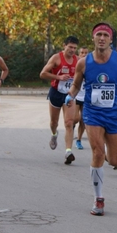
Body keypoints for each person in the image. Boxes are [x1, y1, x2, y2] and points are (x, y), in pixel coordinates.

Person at [65, 23, 117, 216]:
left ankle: (106, 152)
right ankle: (98, 199)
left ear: (110, 39)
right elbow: (75, 85)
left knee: (114, 160)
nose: (102, 38)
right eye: (99, 34)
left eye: (106, 35)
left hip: (115, 113)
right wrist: (70, 95)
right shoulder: (84, 62)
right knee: (97, 153)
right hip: (92, 113)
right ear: (93, 38)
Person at [40, 36, 79, 164]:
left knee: (69, 122)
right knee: (53, 122)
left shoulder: (78, 61)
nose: (72, 50)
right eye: (70, 47)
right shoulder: (56, 58)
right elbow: (43, 73)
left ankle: (68, 151)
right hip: (56, 92)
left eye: (74, 48)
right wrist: (58, 77)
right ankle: (54, 134)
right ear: (64, 46)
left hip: (69, 94)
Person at [73, 46, 88, 150]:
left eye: (86, 53)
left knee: (83, 120)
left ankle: (78, 139)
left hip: (86, 97)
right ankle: (71, 128)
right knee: (75, 118)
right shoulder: (77, 66)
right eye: (82, 53)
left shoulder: (92, 66)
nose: (84, 55)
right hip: (77, 95)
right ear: (79, 54)